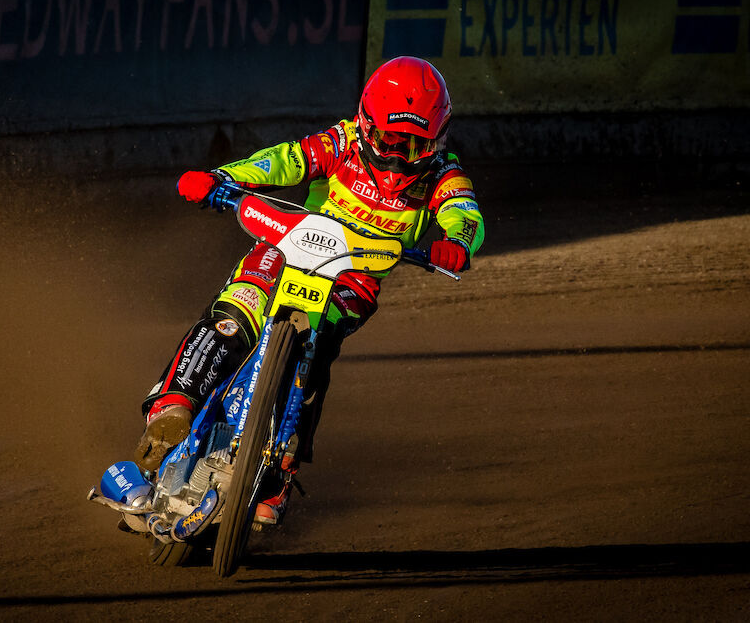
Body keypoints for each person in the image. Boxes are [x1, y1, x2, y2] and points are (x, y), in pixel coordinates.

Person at [131, 56, 485, 525]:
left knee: (316, 352)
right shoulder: (339, 141)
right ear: (365, 124)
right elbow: (282, 160)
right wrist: (223, 177)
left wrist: (456, 242)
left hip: (353, 280)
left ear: (438, 139)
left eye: (415, 144)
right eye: (389, 139)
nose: (400, 154)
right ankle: (172, 404)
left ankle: (278, 472)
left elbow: (466, 215)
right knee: (234, 313)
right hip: (286, 252)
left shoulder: (444, 175)